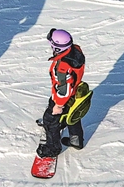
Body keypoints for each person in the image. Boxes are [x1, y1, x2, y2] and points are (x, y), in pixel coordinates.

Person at [37, 29, 86, 158]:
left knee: (50, 120)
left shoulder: (62, 68)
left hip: (62, 97)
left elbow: (64, 91)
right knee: (73, 114)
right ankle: (76, 140)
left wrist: (58, 106)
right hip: (75, 92)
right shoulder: (75, 50)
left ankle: (52, 149)